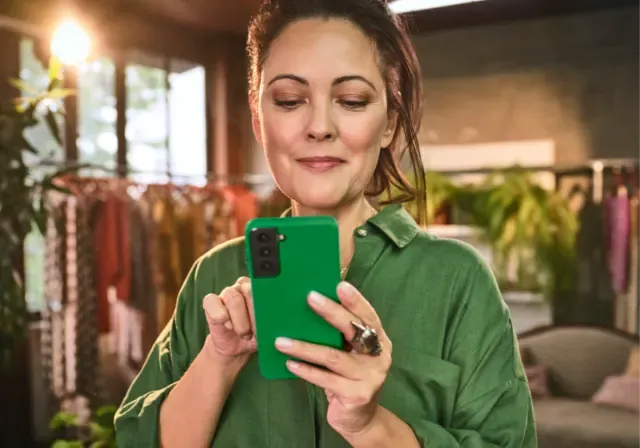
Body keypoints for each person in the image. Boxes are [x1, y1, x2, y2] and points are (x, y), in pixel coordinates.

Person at [114, 0, 537, 446]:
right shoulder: (213, 277)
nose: (319, 126)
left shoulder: (457, 279)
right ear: (259, 121)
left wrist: (369, 425)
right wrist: (218, 359)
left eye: (352, 100)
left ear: (390, 123)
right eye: (289, 100)